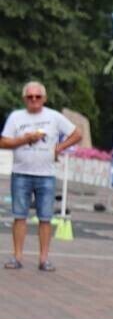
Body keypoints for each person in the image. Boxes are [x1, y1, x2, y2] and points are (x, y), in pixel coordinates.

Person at [0, 81, 81, 271]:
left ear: (44, 98)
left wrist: (59, 147)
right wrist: (25, 139)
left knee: (45, 218)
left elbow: (77, 134)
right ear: (24, 99)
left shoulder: (54, 116)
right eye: (30, 97)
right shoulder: (16, 117)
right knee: (19, 216)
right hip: (21, 173)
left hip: (46, 174)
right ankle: (17, 257)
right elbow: (3, 142)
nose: (34, 100)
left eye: (37, 96)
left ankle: (44, 259)